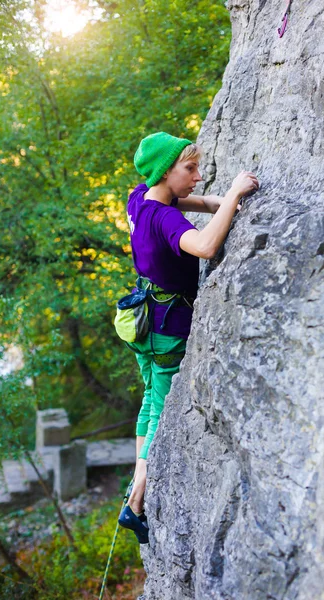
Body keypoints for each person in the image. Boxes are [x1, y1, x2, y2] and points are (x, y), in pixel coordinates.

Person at [118, 132, 258, 543]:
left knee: (148, 398)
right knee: (160, 409)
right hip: (166, 329)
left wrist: (230, 200)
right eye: (190, 169)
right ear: (166, 172)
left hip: (142, 317)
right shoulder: (165, 219)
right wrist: (233, 191)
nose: (197, 177)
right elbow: (207, 244)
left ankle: (134, 484)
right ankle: (136, 502)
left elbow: (207, 206)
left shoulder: (141, 197)